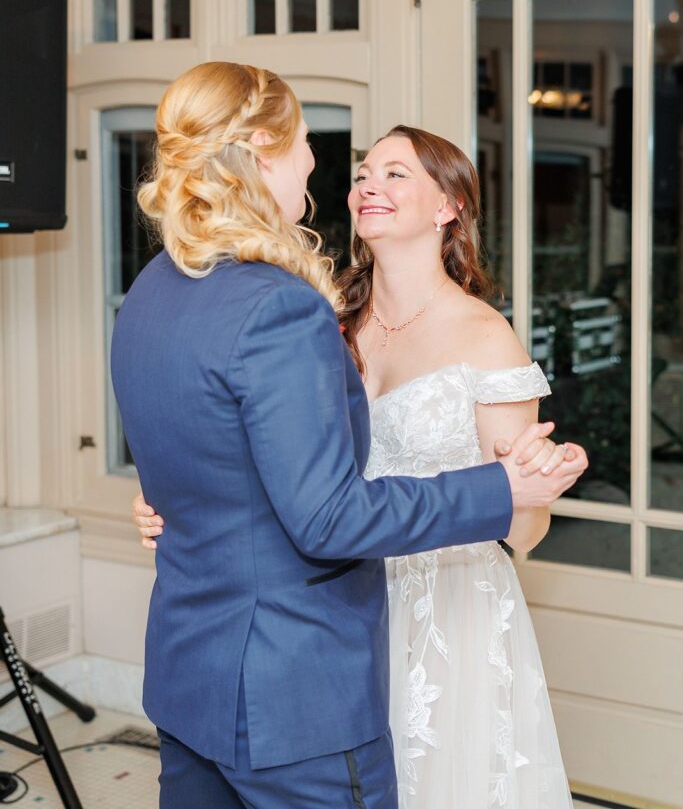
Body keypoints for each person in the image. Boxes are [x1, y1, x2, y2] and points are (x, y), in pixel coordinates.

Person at [119, 62, 587, 809]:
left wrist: (524, 487)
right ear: (264, 150)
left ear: (448, 207)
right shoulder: (312, 312)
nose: (345, 172)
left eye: (393, 172)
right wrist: (174, 503)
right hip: (308, 653)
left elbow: (523, 527)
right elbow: (301, 494)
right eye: (342, 159)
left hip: (421, 622)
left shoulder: (158, 285)